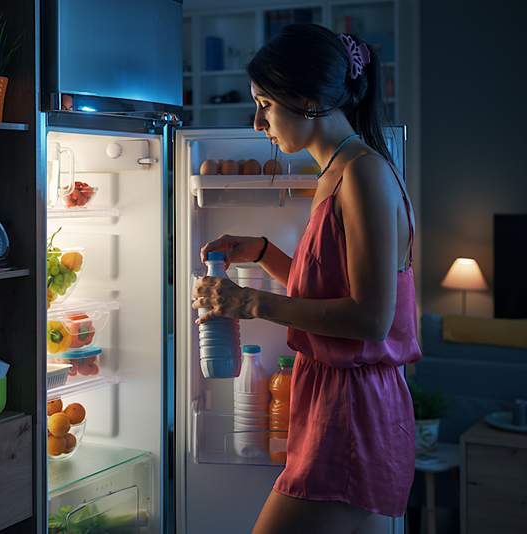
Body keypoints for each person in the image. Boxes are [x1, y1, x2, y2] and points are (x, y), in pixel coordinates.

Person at [193, 24, 422, 534]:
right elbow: (333, 289)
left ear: (306, 100)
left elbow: (370, 317)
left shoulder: (363, 173)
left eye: (265, 105)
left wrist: (248, 303)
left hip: (352, 410)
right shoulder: (339, 170)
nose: (257, 124)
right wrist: (264, 253)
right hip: (337, 400)